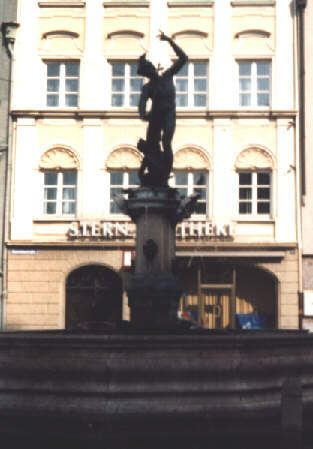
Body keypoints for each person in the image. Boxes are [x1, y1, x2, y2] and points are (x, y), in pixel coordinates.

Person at [137, 32, 188, 186]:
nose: (150, 71)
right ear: (146, 73)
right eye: (147, 71)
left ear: (153, 68)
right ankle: (154, 173)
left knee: (166, 142)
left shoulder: (167, 75)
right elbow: (141, 103)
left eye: (150, 68)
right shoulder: (148, 87)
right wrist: (143, 114)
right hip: (156, 117)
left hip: (168, 115)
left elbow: (184, 59)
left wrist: (169, 41)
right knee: (151, 145)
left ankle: (165, 174)